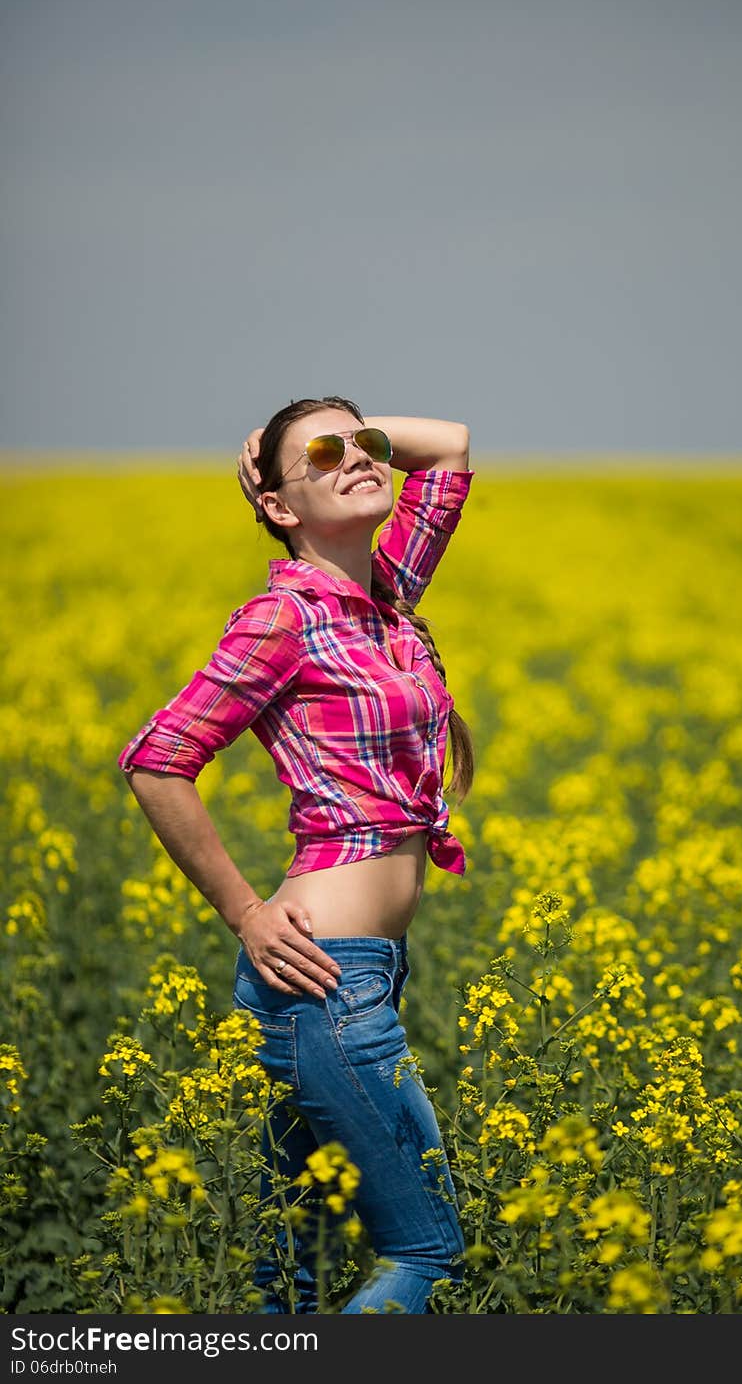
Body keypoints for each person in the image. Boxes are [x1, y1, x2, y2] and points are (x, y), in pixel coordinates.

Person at [117, 396, 475, 1314]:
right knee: (426, 1254)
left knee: (293, 1282)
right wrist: (246, 911)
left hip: (354, 976)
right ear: (279, 506)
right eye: (325, 454)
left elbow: (452, 446)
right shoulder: (284, 617)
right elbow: (159, 761)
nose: (358, 458)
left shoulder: (385, 594)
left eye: (366, 446)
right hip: (327, 978)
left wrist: (336, 442)